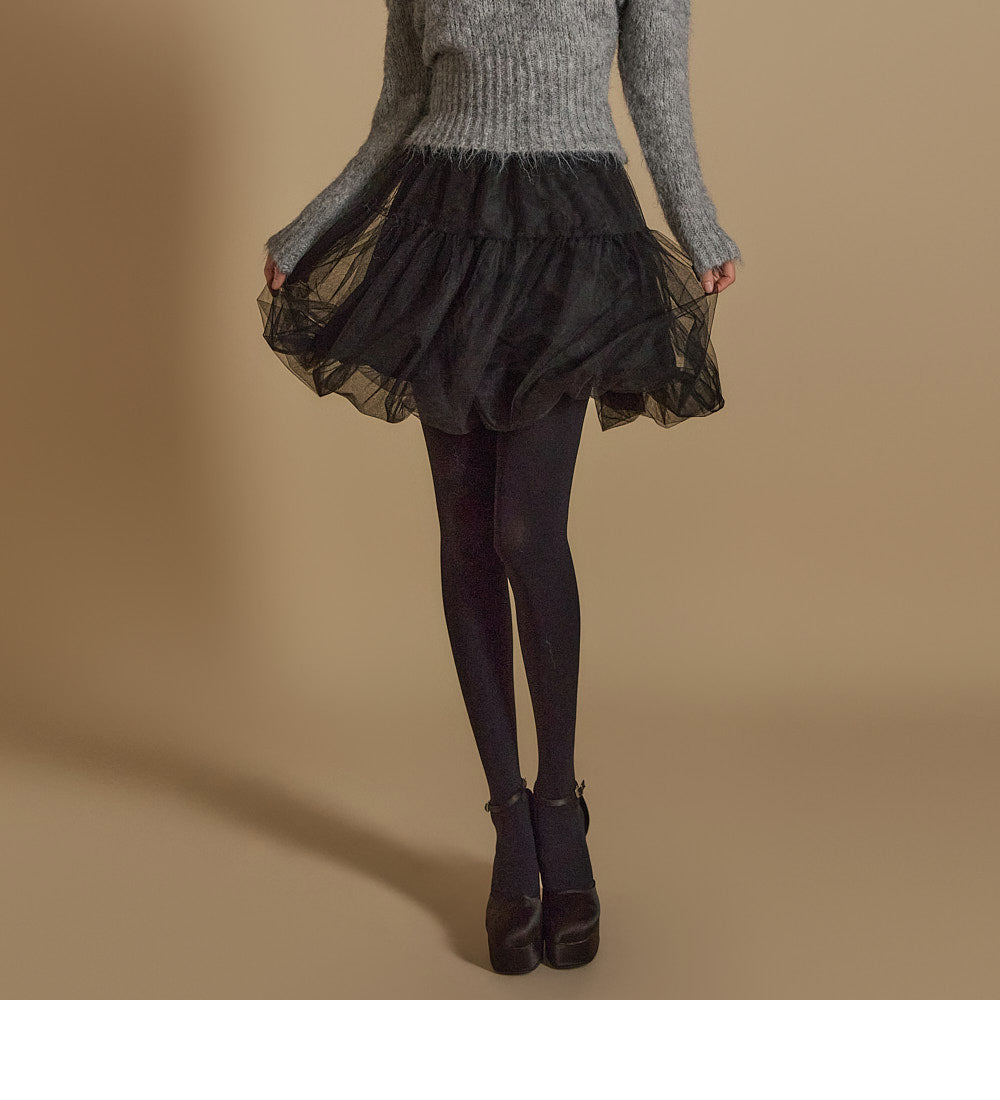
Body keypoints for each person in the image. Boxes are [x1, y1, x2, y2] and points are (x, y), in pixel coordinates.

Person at [258, 0, 742, 975]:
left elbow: (653, 82)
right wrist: (313, 225)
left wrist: (695, 218)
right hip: (443, 229)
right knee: (469, 530)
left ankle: (560, 803)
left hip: (569, 230)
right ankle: (510, 827)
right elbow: (399, 110)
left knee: (526, 529)